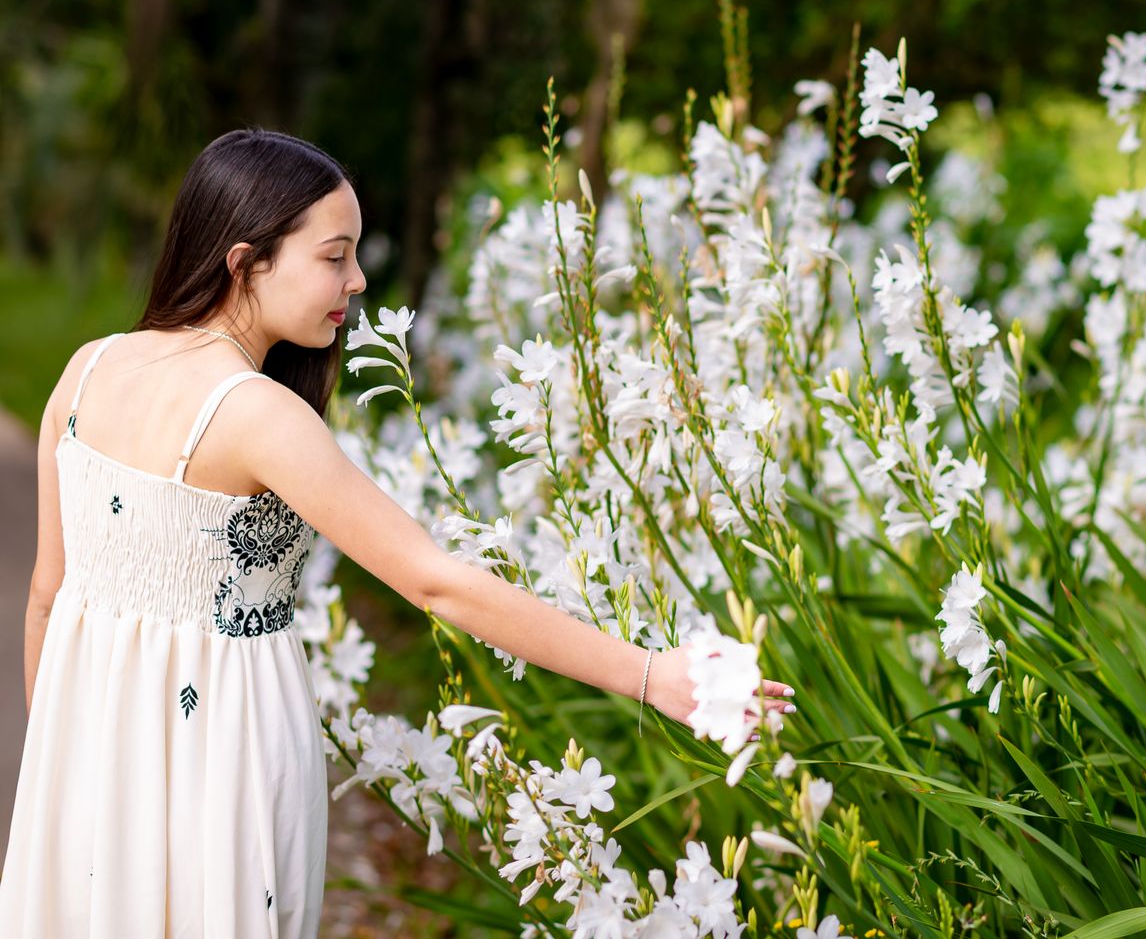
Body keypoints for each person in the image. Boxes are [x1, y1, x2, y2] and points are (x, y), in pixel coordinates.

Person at [0, 128, 796, 937]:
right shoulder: (254, 416)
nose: (358, 277)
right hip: (220, 767)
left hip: (85, 762)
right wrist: (649, 673)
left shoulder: (89, 366)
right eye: (334, 256)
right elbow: (433, 580)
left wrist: (58, 769)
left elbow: (45, 597)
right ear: (244, 262)